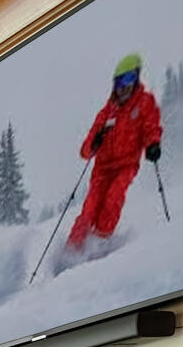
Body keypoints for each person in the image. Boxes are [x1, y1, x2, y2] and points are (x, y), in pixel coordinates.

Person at [67, 52, 163, 251]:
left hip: (126, 166)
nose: (123, 87)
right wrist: (95, 142)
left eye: (128, 79)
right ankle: (71, 250)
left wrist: (153, 144)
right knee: (89, 210)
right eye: (119, 82)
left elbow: (151, 127)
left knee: (113, 199)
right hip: (102, 170)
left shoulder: (144, 102)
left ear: (136, 78)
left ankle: (99, 245)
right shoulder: (106, 112)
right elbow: (84, 152)